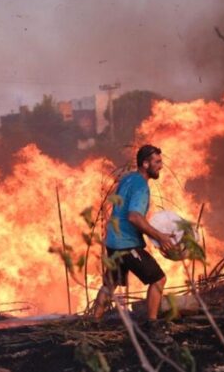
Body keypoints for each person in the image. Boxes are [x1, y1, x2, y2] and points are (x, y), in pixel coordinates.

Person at [92, 144, 175, 342]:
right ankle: (152, 327)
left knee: (110, 283)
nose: (161, 166)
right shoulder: (141, 186)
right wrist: (160, 236)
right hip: (126, 244)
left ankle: (93, 322)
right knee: (158, 280)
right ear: (145, 164)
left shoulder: (128, 178)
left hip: (113, 239)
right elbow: (134, 217)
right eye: (157, 162)